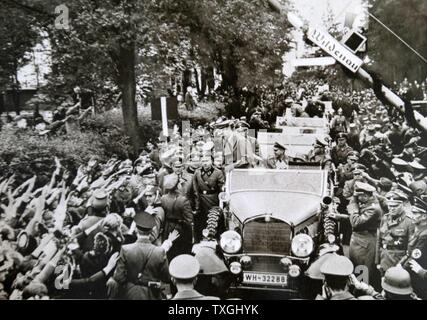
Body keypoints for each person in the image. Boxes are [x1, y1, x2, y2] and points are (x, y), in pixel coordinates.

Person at [107, 211, 177, 300]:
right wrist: (167, 295)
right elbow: (166, 278)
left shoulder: (125, 249)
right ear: (152, 230)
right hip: (153, 294)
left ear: (136, 229)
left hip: (130, 294)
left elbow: (119, 277)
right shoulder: (160, 252)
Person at [347, 182, 382, 282]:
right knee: (357, 268)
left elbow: (355, 222)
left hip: (365, 243)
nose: (357, 199)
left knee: (362, 270)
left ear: (365, 196)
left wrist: (353, 204)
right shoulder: (368, 203)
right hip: (360, 240)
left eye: (359, 196)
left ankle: (362, 292)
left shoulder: (373, 208)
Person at [378, 191, 415, 273]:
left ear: (403, 205)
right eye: (389, 206)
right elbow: (379, 241)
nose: (391, 208)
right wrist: (377, 261)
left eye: (395, 206)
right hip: (384, 258)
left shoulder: (409, 222)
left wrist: (402, 265)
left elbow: (411, 248)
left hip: (399, 261)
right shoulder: (385, 218)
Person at [161, 174, 194, 261]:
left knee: (170, 252)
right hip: (180, 229)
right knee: (181, 253)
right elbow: (189, 220)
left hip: (167, 228)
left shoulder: (163, 198)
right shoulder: (183, 200)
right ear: (177, 185)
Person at [192, 155, 224, 242]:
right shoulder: (197, 172)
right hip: (201, 201)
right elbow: (195, 189)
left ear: (212, 161)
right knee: (201, 222)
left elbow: (222, 190)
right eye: (203, 161)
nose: (205, 163)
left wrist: (221, 205)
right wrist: (197, 204)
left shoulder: (218, 172)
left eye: (207, 161)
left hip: (213, 201)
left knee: (213, 221)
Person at [402, 204, 427, 299]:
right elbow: (409, 253)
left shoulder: (424, 235)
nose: (412, 215)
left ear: (424, 216)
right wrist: (399, 265)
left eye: (415, 213)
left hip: (419, 277)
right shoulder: (420, 230)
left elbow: (414, 259)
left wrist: (400, 270)